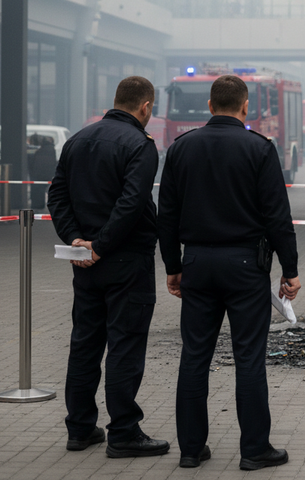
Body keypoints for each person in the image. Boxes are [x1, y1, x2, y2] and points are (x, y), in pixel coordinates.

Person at [158, 75, 301, 470]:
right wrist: (290, 269)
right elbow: (277, 216)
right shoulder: (259, 149)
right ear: (245, 107)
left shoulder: (181, 148)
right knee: (249, 358)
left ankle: (190, 449)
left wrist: (173, 266)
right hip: (245, 268)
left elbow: (165, 215)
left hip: (198, 264)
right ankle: (255, 450)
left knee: (195, 356)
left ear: (208, 105)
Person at [47, 76, 169, 457]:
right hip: (126, 261)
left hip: (84, 263)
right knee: (124, 344)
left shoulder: (77, 140)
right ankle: (124, 433)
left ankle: (80, 428)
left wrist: (76, 241)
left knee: (84, 344)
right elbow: (132, 204)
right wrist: (101, 244)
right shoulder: (140, 146)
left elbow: (57, 196)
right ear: (145, 107)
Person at [29, 135, 57, 209]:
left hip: (38, 174)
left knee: (38, 191)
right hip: (47, 174)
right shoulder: (51, 149)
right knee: (47, 190)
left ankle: (38, 206)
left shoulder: (40, 150)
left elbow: (35, 163)